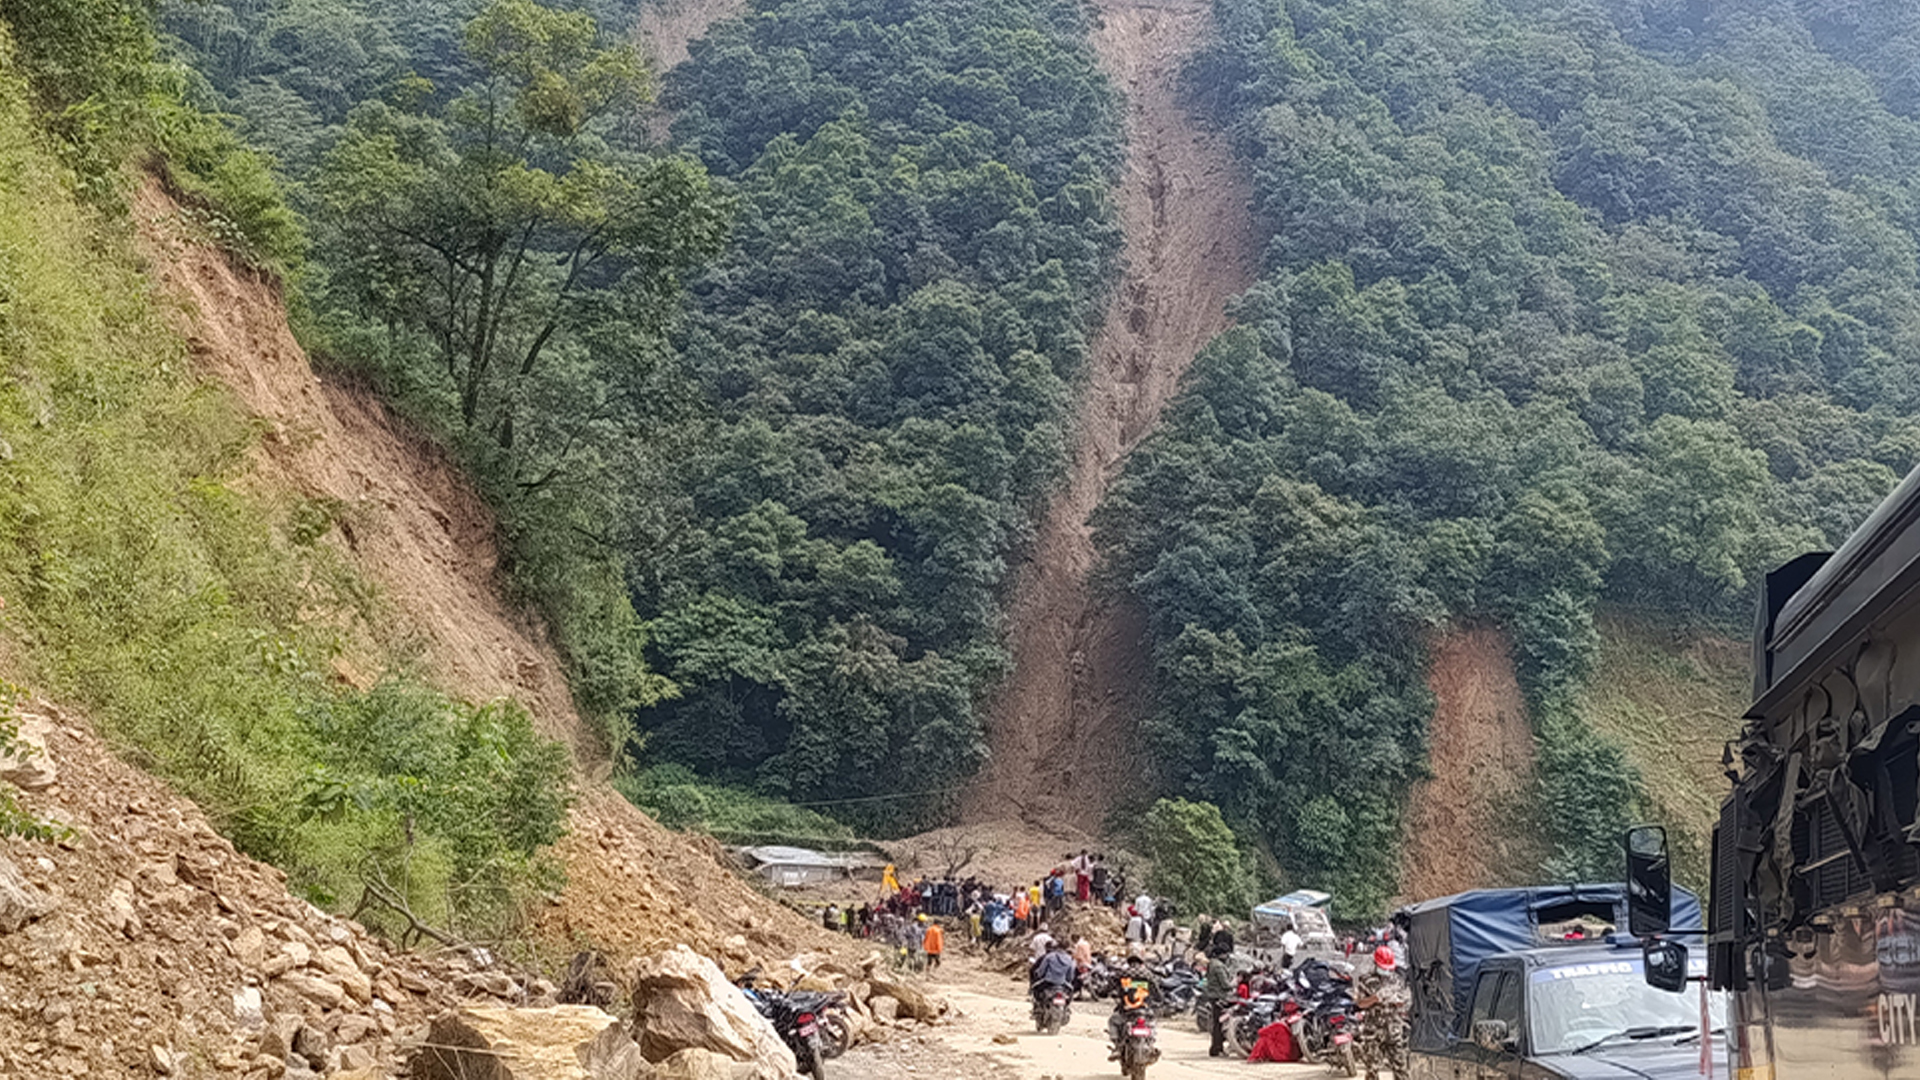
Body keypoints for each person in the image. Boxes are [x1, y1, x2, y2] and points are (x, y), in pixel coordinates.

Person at [1107, 952, 1156, 1059]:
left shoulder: (1123, 973)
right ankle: (1151, 1045)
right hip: (1144, 1009)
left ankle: (1117, 1047)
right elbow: (1156, 991)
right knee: (1152, 1023)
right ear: (1141, 963)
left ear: (1129, 963)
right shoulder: (1148, 974)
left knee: (1113, 1021)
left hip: (1127, 1009)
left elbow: (1111, 984)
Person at [1201, 937, 1242, 1057]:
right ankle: (1217, 1048)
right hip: (1220, 997)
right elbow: (1225, 985)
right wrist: (1235, 982)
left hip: (1214, 996)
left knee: (1217, 1024)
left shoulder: (1212, 963)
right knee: (1219, 1024)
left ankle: (1216, 1048)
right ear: (1222, 954)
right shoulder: (1218, 966)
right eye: (1226, 954)